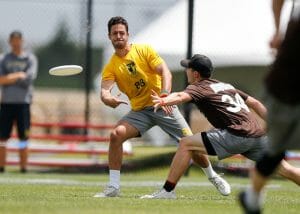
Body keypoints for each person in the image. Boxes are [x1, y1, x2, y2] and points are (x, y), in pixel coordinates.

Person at [93, 16, 230, 198]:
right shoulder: (111, 66)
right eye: (115, 33)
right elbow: (105, 91)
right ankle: (113, 187)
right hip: (140, 111)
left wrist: (165, 95)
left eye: (122, 33)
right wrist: (108, 99)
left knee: (191, 143)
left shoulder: (144, 50)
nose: (119, 36)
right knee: (116, 135)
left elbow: (165, 72)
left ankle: (213, 176)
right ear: (109, 36)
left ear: (128, 35)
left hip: (162, 105)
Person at [140, 53, 300, 199]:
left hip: (236, 135)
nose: (186, 71)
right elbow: (256, 103)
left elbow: (181, 95)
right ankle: (210, 177)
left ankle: (167, 191)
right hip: (257, 135)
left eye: (188, 68)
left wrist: (164, 100)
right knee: (287, 170)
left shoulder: (198, 86)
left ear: (195, 74)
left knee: (186, 143)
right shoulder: (226, 86)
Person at [239, 0, 300, 213]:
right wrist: (277, 31)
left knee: (275, 152)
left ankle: (252, 198)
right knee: (275, 151)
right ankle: (253, 199)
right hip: (287, 89)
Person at [0, 31, 38, 173]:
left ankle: (23, 168)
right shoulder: (3, 59)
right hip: (6, 103)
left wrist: (9, 78)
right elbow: (1, 80)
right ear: (10, 42)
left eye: (18, 40)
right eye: (13, 40)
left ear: (22, 41)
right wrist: (18, 75)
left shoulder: (30, 58)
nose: (16, 43)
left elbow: (28, 80)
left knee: (24, 137)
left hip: (23, 103)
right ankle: (1, 167)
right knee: (2, 137)